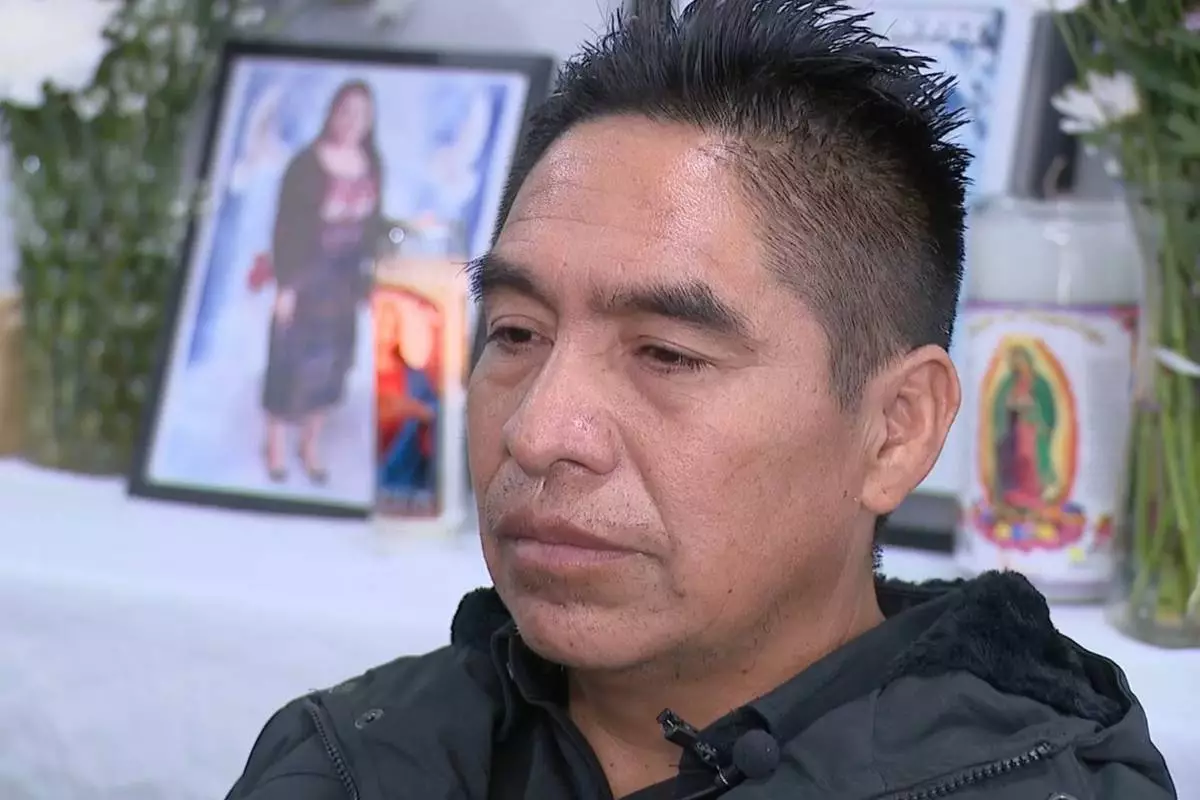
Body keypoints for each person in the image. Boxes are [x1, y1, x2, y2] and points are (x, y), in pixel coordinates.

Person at [225, 2, 1176, 799]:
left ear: (896, 431)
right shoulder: (347, 763)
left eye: (666, 354)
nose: (538, 431)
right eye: (515, 334)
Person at [260, 79, 384, 484]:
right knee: (289, 360)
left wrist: (372, 281)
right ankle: (275, 445)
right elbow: (286, 228)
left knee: (333, 365)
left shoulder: (372, 164)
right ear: (332, 111)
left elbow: (372, 228)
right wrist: (286, 286)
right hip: (306, 276)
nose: (351, 121)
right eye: (345, 111)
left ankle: (309, 445)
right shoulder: (305, 164)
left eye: (361, 114)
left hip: (344, 283)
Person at [993, 345, 1059, 509]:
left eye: (1020, 361)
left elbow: (1047, 407)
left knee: (1030, 459)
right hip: (1016, 428)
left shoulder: (1040, 383)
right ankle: (1016, 494)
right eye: (1015, 362)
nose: (1019, 365)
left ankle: (1033, 494)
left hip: (1034, 429)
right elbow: (1001, 405)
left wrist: (1032, 408)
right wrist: (1011, 405)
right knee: (1018, 459)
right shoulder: (1009, 383)